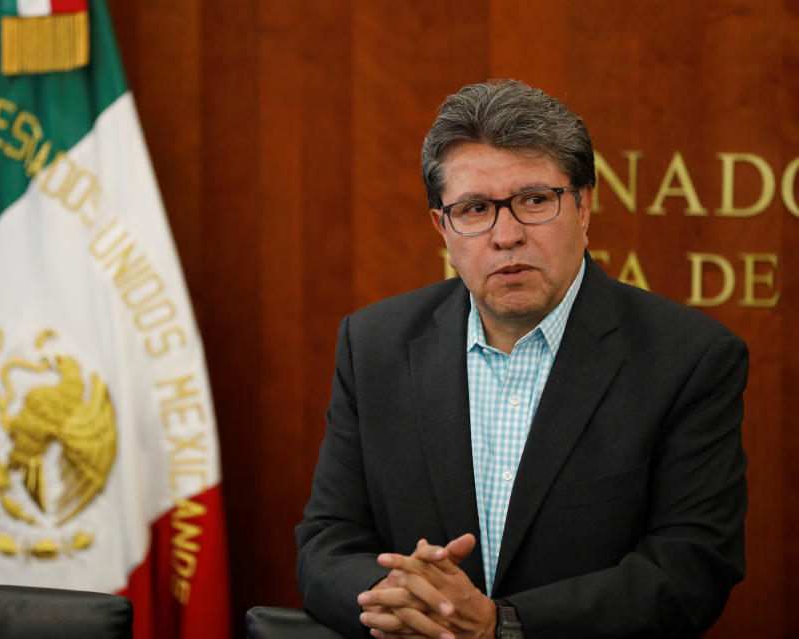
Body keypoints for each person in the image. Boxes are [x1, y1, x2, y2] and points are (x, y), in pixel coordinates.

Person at [295, 79, 748, 639]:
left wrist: (501, 625)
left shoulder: (690, 358)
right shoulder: (373, 345)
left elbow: (690, 568)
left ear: (584, 205)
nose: (505, 235)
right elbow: (328, 541)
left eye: (535, 200)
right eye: (475, 209)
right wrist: (400, 602)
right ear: (442, 227)